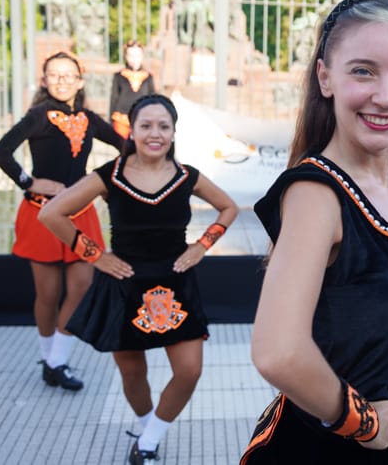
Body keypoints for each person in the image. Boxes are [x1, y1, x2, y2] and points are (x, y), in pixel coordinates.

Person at [239, 0, 388, 464]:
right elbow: (276, 351)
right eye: (363, 71)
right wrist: (362, 421)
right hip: (326, 447)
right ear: (325, 77)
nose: (386, 96)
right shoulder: (316, 194)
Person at [38, 93, 238, 465]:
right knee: (133, 375)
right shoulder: (109, 175)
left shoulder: (186, 176)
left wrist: (202, 245)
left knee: (190, 370)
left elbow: (228, 207)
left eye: (163, 126)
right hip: (123, 285)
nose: (155, 133)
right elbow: (51, 214)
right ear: (133, 130)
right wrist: (96, 256)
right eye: (146, 125)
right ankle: (148, 433)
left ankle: (149, 438)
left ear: (174, 132)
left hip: (175, 285)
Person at [0, 50, 124, 391]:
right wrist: (29, 181)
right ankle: (51, 360)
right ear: (44, 80)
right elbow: (0, 152)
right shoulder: (37, 115)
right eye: (55, 75)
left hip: (82, 215)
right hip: (41, 215)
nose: (63, 81)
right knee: (47, 294)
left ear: (80, 81)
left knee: (81, 286)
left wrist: (105, 182)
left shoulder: (90, 118)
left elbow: (126, 147)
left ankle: (56, 361)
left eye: (69, 75)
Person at [109, 40, 156, 139]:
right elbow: (114, 98)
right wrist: (111, 119)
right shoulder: (119, 76)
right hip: (122, 119)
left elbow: (152, 99)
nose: (135, 59)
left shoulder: (148, 77)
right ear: (126, 56)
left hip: (143, 118)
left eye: (137, 56)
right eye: (131, 55)